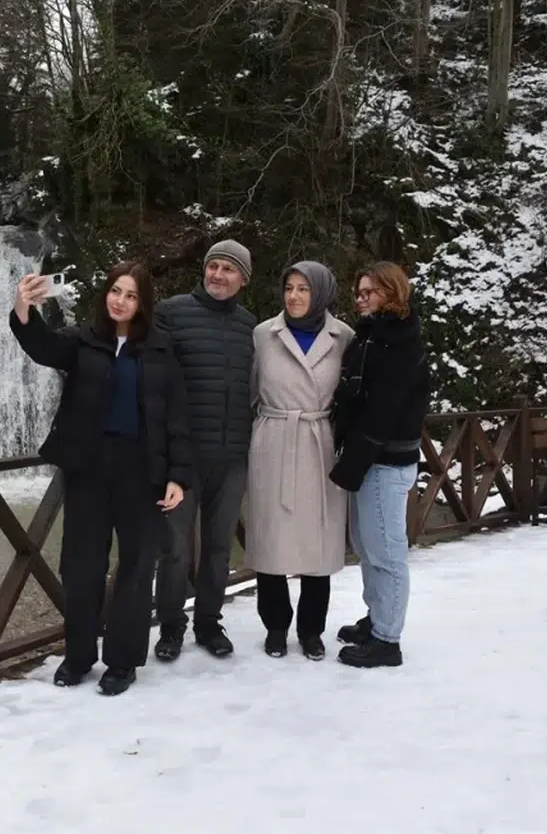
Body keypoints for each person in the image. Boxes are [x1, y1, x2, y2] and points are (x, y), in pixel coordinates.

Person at [9, 261, 193, 695]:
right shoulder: (84, 340)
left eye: (130, 295)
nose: (120, 301)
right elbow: (42, 347)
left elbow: (177, 420)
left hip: (142, 472)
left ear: (143, 303)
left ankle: (123, 662)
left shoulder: (163, 350)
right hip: (89, 469)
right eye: (115, 291)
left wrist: (178, 476)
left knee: (135, 567)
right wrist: (22, 309)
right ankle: (77, 657)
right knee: (81, 566)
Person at [244, 261, 354, 660]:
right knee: (271, 538)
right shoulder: (263, 334)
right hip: (273, 440)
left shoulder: (343, 337)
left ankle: (311, 630)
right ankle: (275, 626)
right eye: (288, 287)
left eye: (303, 289)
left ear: (321, 293)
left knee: (317, 543)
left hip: (319, 442)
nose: (293, 296)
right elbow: (250, 391)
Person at [152, 240, 256, 660]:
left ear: (243, 280)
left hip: (231, 456)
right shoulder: (171, 313)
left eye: (228, 269)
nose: (217, 275)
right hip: (182, 458)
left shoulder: (252, 327)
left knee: (217, 547)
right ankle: (171, 626)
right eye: (213, 266)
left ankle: (209, 624)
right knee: (175, 549)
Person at [329, 261, 431, 669]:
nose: (361, 298)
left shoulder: (401, 342)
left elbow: (384, 410)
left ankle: (387, 638)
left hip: (386, 460)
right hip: (370, 457)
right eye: (358, 291)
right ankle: (376, 619)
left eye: (369, 292)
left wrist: (352, 461)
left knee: (387, 551)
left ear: (392, 293)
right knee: (369, 547)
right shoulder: (374, 336)